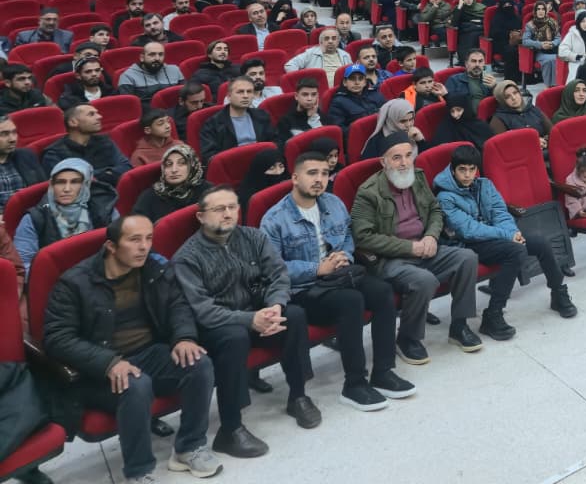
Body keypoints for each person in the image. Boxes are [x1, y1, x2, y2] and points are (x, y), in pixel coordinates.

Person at [43, 215, 222, 482]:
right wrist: (108, 362)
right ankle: (138, 472)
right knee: (136, 384)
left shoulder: (154, 268)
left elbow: (178, 305)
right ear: (111, 246)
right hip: (98, 369)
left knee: (198, 363)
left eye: (148, 238)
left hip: (148, 353)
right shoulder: (74, 283)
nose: (144, 247)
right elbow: (57, 338)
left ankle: (189, 447)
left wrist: (184, 337)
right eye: (135, 240)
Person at [259, 152, 415, 413]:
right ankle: (354, 384)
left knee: (382, 291)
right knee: (351, 301)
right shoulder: (274, 219)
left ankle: (383, 371)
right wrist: (317, 268)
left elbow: (347, 238)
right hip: (304, 289)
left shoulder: (334, 203)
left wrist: (344, 255)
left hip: (339, 275)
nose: (319, 179)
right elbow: (273, 269)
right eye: (312, 173)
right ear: (295, 178)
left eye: (324, 173)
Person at [172, 185, 316, 453]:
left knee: (293, 315)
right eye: (219, 209)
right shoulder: (186, 258)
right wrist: (250, 320)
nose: (228, 214)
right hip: (217, 326)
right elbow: (203, 310)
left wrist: (275, 306)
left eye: (232, 207)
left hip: (259, 312)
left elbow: (278, 275)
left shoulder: (253, 237)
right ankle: (231, 428)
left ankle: (298, 396)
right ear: (201, 216)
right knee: (235, 337)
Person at [352, 134, 484, 361]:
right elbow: (363, 238)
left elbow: (435, 210)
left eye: (408, 156)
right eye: (396, 158)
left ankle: (459, 326)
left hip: (426, 247)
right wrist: (409, 248)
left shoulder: (418, 177)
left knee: (467, 258)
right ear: (383, 162)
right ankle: (407, 338)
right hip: (391, 259)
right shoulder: (368, 192)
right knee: (424, 280)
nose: (404, 163)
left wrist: (432, 236)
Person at [432, 145, 576, 332]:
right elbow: (468, 230)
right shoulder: (445, 197)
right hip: (468, 245)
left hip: (495, 237)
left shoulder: (485, 185)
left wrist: (513, 233)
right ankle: (493, 315)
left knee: (540, 242)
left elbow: (500, 213)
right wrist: (508, 235)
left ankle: (558, 294)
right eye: (462, 170)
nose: (467, 175)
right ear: (453, 170)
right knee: (516, 251)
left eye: (472, 169)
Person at [15, 158, 117, 273]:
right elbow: (25, 264)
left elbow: (118, 251)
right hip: (55, 279)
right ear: (52, 185)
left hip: (99, 276)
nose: (67, 189)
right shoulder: (35, 217)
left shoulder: (105, 210)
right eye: (60, 182)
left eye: (75, 182)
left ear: (86, 185)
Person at [43, 103, 131, 185]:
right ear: (73, 122)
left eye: (97, 113)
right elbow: (71, 183)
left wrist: (94, 175)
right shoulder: (54, 154)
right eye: (91, 114)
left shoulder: (105, 141)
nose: (99, 117)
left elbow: (127, 167)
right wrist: (108, 173)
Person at [198, 77, 273, 162]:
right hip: (232, 164)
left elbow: (273, 143)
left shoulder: (262, 116)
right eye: (240, 92)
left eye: (249, 92)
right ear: (229, 96)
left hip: (262, 162)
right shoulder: (212, 124)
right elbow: (210, 156)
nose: (245, 96)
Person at [133, 144, 205, 223]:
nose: (174, 170)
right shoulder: (149, 197)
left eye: (182, 163)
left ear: (192, 165)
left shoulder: (206, 191)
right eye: (168, 164)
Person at [117, 42, 183, 106]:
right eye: (152, 54)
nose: (157, 58)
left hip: (176, 109)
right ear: (142, 58)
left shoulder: (175, 70)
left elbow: (184, 95)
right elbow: (129, 106)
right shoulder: (128, 76)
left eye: (160, 54)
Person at [0, 114, 45, 207]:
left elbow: (43, 191)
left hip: (30, 212)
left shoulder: (26, 156)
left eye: (14, 132)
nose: (12, 139)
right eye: (4, 134)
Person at [285, 28, 351, 89]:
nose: (330, 41)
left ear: (338, 41)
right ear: (321, 42)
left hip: (341, 90)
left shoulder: (345, 55)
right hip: (317, 91)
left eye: (334, 38)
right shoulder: (310, 53)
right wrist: (303, 83)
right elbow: (289, 65)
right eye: (326, 38)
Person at [325, 64, 381, 130]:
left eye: (360, 79)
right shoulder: (338, 102)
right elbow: (338, 130)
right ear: (345, 82)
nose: (357, 82)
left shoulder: (374, 94)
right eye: (352, 79)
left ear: (365, 82)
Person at [521, 0, 560, 91]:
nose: (541, 11)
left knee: (555, 59)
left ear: (546, 11)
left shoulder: (553, 22)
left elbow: (558, 38)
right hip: (539, 51)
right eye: (538, 9)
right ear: (535, 11)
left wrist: (552, 44)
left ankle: (555, 86)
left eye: (543, 9)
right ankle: (548, 87)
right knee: (549, 60)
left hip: (553, 49)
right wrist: (540, 44)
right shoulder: (530, 25)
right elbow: (525, 41)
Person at [234, 146, 286, 214]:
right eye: (271, 168)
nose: (278, 172)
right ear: (260, 171)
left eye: (281, 166)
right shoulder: (248, 199)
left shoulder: (289, 185)